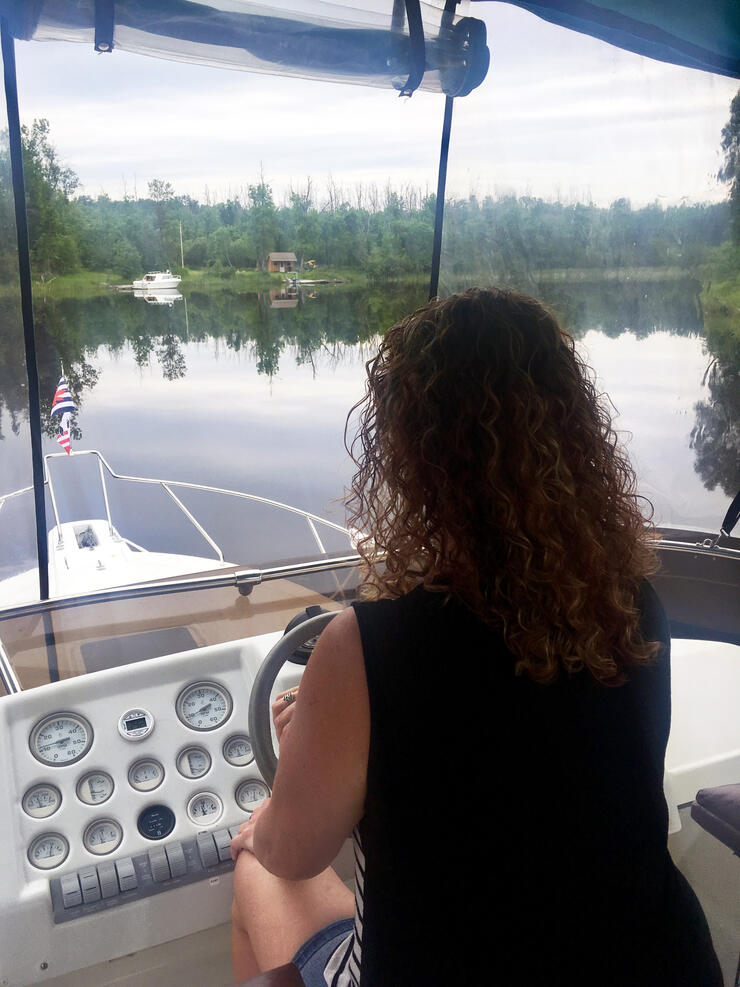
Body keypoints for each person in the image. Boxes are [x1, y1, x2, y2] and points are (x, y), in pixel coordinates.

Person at [230, 287, 722, 986]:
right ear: (571, 431)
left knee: (255, 875)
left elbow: (294, 851)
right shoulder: (632, 605)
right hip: (661, 964)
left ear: (410, 456)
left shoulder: (364, 650)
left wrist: (291, 763)